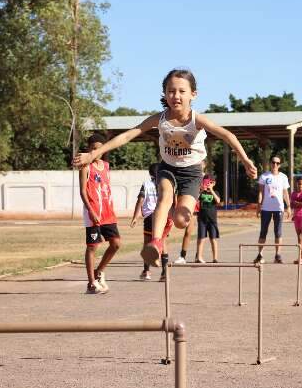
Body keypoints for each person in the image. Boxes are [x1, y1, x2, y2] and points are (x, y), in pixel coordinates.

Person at [74, 68, 257, 268]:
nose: (176, 96)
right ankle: (156, 242)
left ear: (193, 94)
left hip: (192, 172)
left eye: (181, 91)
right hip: (168, 168)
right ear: (165, 94)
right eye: (171, 91)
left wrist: (245, 160)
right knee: (164, 197)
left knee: (180, 221)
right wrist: (93, 154)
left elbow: (227, 135)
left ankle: (172, 219)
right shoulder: (159, 119)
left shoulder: (197, 120)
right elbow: (128, 135)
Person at [79, 133, 122, 294]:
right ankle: (91, 283)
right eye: (93, 149)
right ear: (89, 149)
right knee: (93, 247)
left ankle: (99, 271)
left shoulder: (106, 165)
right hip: (93, 213)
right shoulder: (85, 167)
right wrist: (91, 211)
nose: (97, 151)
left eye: (100, 149)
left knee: (116, 244)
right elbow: (83, 191)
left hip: (108, 213)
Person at [130, 163, 173, 281]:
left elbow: (140, 200)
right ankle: (164, 273)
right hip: (163, 216)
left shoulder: (147, 184)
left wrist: (135, 216)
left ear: (150, 173)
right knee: (163, 243)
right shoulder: (166, 184)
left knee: (147, 243)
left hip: (150, 216)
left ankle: (146, 271)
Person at [254, 155, 291, 264]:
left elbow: (285, 193)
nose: (275, 165)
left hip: (278, 208)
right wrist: (259, 205)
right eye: (273, 162)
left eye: (277, 163)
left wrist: (288, 207)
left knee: (278, 232)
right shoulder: (264, 176)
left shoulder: (283, 177)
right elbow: (260, 192)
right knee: (263, 232)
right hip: (266, 208)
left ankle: (277, 255)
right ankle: (260, 255)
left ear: (280, 165)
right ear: (270, 163)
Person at [195, 175, 221, 263]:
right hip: (202, 219)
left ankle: (215, 258)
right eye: (206, 182)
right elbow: (195, 199)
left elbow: (218, 201)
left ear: (214, 183)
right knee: (201, 238)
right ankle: (199, 257)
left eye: (210, 182)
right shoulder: (201, 192)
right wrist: (202, 189)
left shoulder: (216, 192)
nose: (208, 184)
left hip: (212, 220)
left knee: (213, 239)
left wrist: (211, 190)